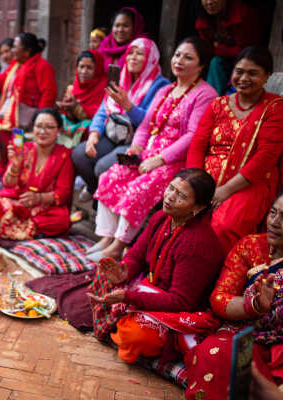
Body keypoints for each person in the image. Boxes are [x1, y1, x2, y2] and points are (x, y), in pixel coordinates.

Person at [89, 37, 218, 261]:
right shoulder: (166, 89)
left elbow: (192, 136)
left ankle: (119, 245)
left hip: (174, 161)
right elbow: (147, 124)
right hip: (147, 153)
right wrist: (137, 148)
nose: (179, 61)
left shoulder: (205, 94)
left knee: (138, 187)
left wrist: (159, 159)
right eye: (178, 55)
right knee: (111, 176)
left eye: (188, 57)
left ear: (201, 65)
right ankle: (106, 237)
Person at [88, 169, 224, 363]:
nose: (169, 198)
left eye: (181, 196)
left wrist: (128, 296)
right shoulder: (161, 217)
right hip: (150, 287)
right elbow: (136, 255)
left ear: (198, 208)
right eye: (171, 189)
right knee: (103, 277)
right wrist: (123, 272)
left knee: (135, 337)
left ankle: (123, 322)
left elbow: (181, 301)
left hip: (179, 309)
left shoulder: (197, 244)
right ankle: (120, 318)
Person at [184, 193, 283, 400]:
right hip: (244, 335)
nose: (275, 222)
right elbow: (220, 298)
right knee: (218, 355)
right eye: (273, 212)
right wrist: (254, 305)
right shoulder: (252, 246)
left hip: (279, 352)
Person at [186, 46, 283, 254]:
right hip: (206, 181)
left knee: (223, 226)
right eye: (239, 71)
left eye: (253, 73)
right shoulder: (217, 105)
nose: (244, 78)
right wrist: (194, 184)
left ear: (267, 76)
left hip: (249, 183)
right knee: (180, 211)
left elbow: (266, 157)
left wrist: (225, 190)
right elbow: (197, 145)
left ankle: (211, 280)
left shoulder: (274, 108)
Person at [71, 38, 170, 197]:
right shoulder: (121, 78)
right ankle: (97, 192)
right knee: (79, 154)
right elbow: (103, 110)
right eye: (130, 53)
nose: (133, 57)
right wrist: (94, 134)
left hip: (137, 142)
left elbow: (151, 123)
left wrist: (128, 106)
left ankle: (104, 200)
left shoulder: (161, 86)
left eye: (140, 54)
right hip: (113, 135)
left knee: (102, 167)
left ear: (152, 58)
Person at [0, 108, 74, 241]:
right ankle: (23, 232)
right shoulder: (24, 149)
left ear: (58, 131)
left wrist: (38, 198)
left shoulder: (65, 155)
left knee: (61, 220)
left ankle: (7, 232)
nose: (43, 132)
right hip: (17, 202)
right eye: (39, 126)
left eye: (49, 127)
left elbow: (63, 193)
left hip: (44, 208)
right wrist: (14, 166)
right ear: (33, 128)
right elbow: (8, 184)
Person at [0, 32, 57, 133]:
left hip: (28, 117)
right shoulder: (16, 65)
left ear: (27, 51)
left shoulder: (42, 66)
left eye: (14, 47)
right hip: (12, 112)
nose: (12, 51)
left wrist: (40, 119)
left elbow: (48, 94)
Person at [196, 0, 261, 95]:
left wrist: (219, 49)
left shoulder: (241, 14)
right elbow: (207, 49)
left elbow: (246, 51)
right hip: (222, 63)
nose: (209, 2)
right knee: (216, 63)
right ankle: (211, 101)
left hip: (247, 61)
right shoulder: (204, 19)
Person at [56, 50, 107, 148]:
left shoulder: (104, 88)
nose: (84, 72)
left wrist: (76, 108)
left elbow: (101, 116)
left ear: (97, 69)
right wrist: (66, 109)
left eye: (89, 68)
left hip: (93, 138)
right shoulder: (74, 86)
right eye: (81, 67)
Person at [98, 7, 148, 72]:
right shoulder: (105, 45)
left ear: (135, 27)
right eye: (117, 25)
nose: (120, 30)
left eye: (125, 26)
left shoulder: (143, 48)